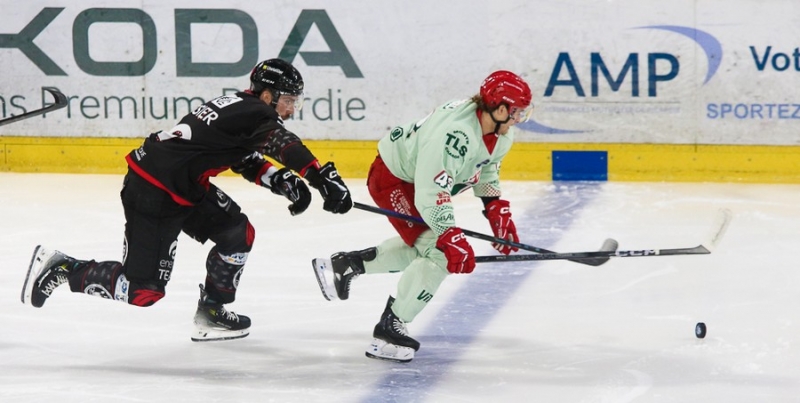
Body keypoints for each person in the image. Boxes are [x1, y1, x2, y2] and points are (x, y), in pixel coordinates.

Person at [21, 58, 353, 342]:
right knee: (143, 291)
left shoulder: (241, 107)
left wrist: (277, 179)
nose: (292, 109)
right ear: (268, 95)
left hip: (182, 186)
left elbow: (240, 156)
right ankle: (65, 267)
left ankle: (211, 311)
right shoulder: (255, 114)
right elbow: (283, 143)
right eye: (289, 101)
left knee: (237, 233)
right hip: (154, 191)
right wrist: (319, 175)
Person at [312, 70, 533, 362]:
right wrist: (450, 236)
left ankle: (344, 265)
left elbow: (486, 165)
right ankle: (389, 329)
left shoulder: (499, 130)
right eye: (516, 112)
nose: (519, 119)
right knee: (440, 252)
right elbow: (431, 194)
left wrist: (495, 210)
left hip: (417, 181)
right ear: (500, 108)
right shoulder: (454, 135)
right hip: (393, 179)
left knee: (427, 244)